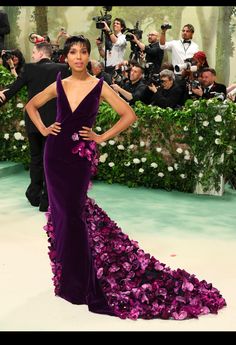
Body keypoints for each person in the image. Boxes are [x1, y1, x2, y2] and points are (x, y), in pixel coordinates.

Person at [25, 35, 226, 320]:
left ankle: (81, 281)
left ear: (88, 56)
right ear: (66, 58)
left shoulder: (100, 86)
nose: (79, 57)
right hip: (55, 156)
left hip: (80, 159)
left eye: (84, 52)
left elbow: (128, 114)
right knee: (61, 216)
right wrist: (45, 129)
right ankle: (68, 280)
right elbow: (30, 106)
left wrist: (100, 137)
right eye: (73, 53)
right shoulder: (59, 85)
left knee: (74, 214)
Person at [0, 42, 70, 212]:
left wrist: (2, 96)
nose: (31, 55)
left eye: (33, 52)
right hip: (55, 123)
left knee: (36, 158)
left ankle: (34, 195)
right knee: (51, 161)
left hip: (34, 121)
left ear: (40, 53)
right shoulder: (62, 69)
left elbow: (14, 88)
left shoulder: (29, 69)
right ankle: (47, 200)